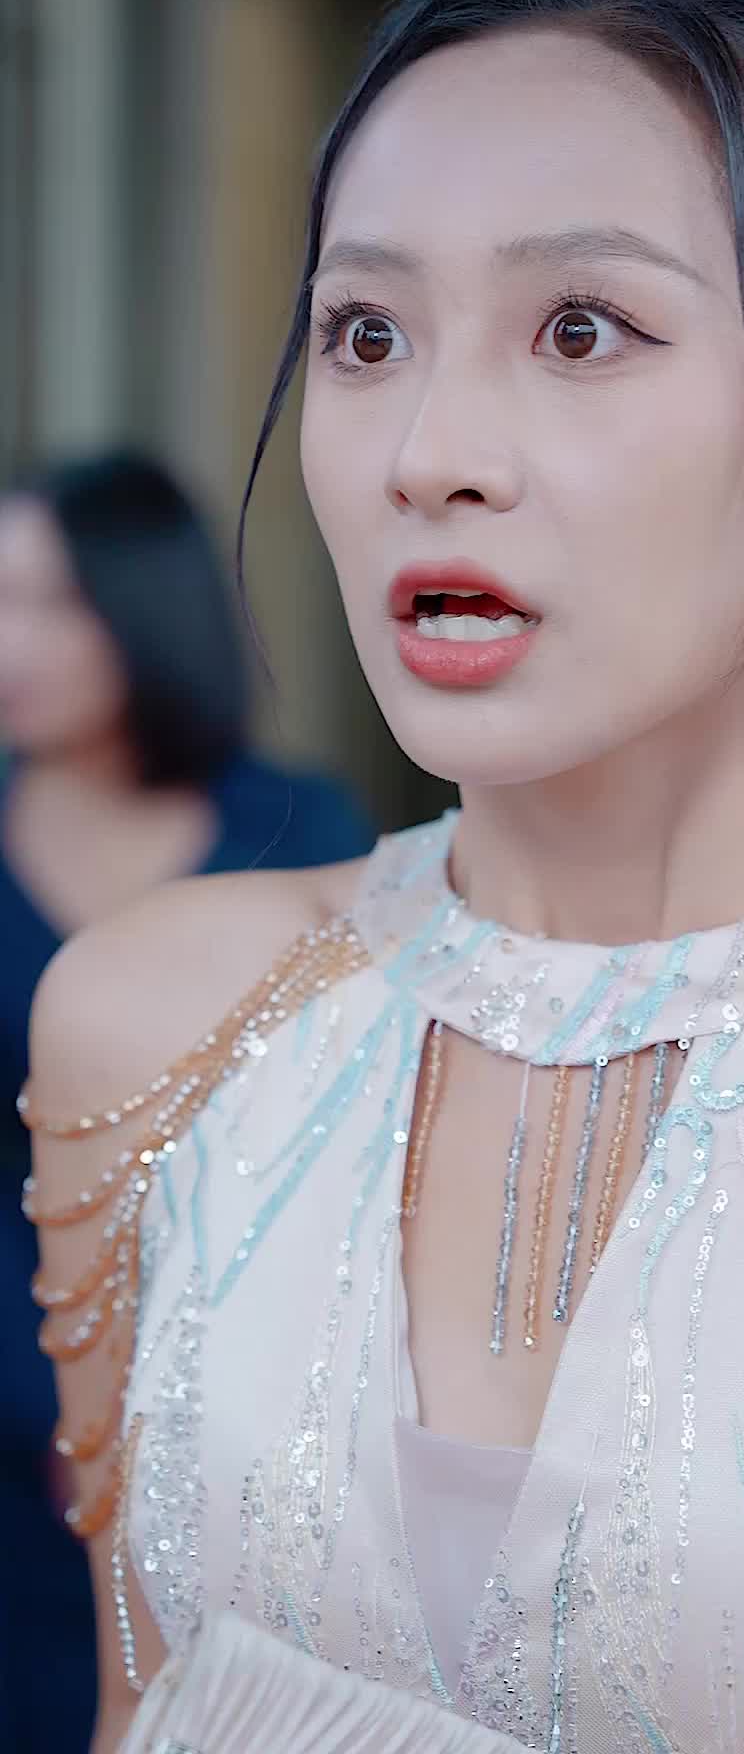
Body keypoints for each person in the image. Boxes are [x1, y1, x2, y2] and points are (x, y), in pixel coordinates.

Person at [22, 0, 744, 1754]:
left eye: (581, 329)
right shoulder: (154, 1026)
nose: (430, 449)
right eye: (365, 333)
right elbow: (142, 1700)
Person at [0, 448, 376, 1751]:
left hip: (251, 1437)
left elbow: (344, 1158)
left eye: (52, 602)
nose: (11, 643)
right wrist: (58, 1405)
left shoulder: (299, 835)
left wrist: (168, 1411)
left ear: (145, 607)